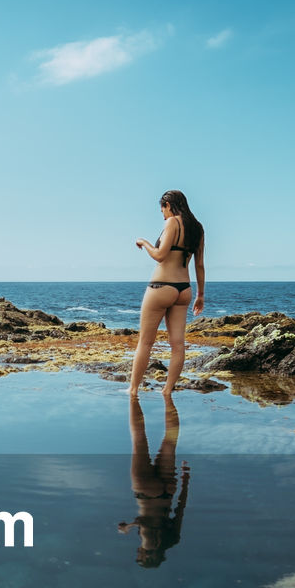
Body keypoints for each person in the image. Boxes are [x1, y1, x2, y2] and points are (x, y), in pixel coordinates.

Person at [129, 189, 205, 398]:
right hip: (184, 290)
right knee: (178, 345)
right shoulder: (198, 228)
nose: (162, 214)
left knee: (145, 342)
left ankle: (133, 390)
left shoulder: (172, 222)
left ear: (168, 205)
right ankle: (167, 391)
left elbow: (160, 256)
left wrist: (144, 242)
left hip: (161, 287)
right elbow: (199, 265)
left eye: (162, 209)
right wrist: (200, 295)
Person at [118, 395, 190, 568]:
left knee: (170, 442)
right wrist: (128, 526)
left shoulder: (172, 540)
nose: (138, 553)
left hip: (168, 492)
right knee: (139, 439)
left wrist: (185, 480)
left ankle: (169, 400)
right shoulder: (151, 546)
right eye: (140, 557)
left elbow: (181, 509)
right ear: (149, 557)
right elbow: (148, 524)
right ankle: (133, 398)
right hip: (146, 492)